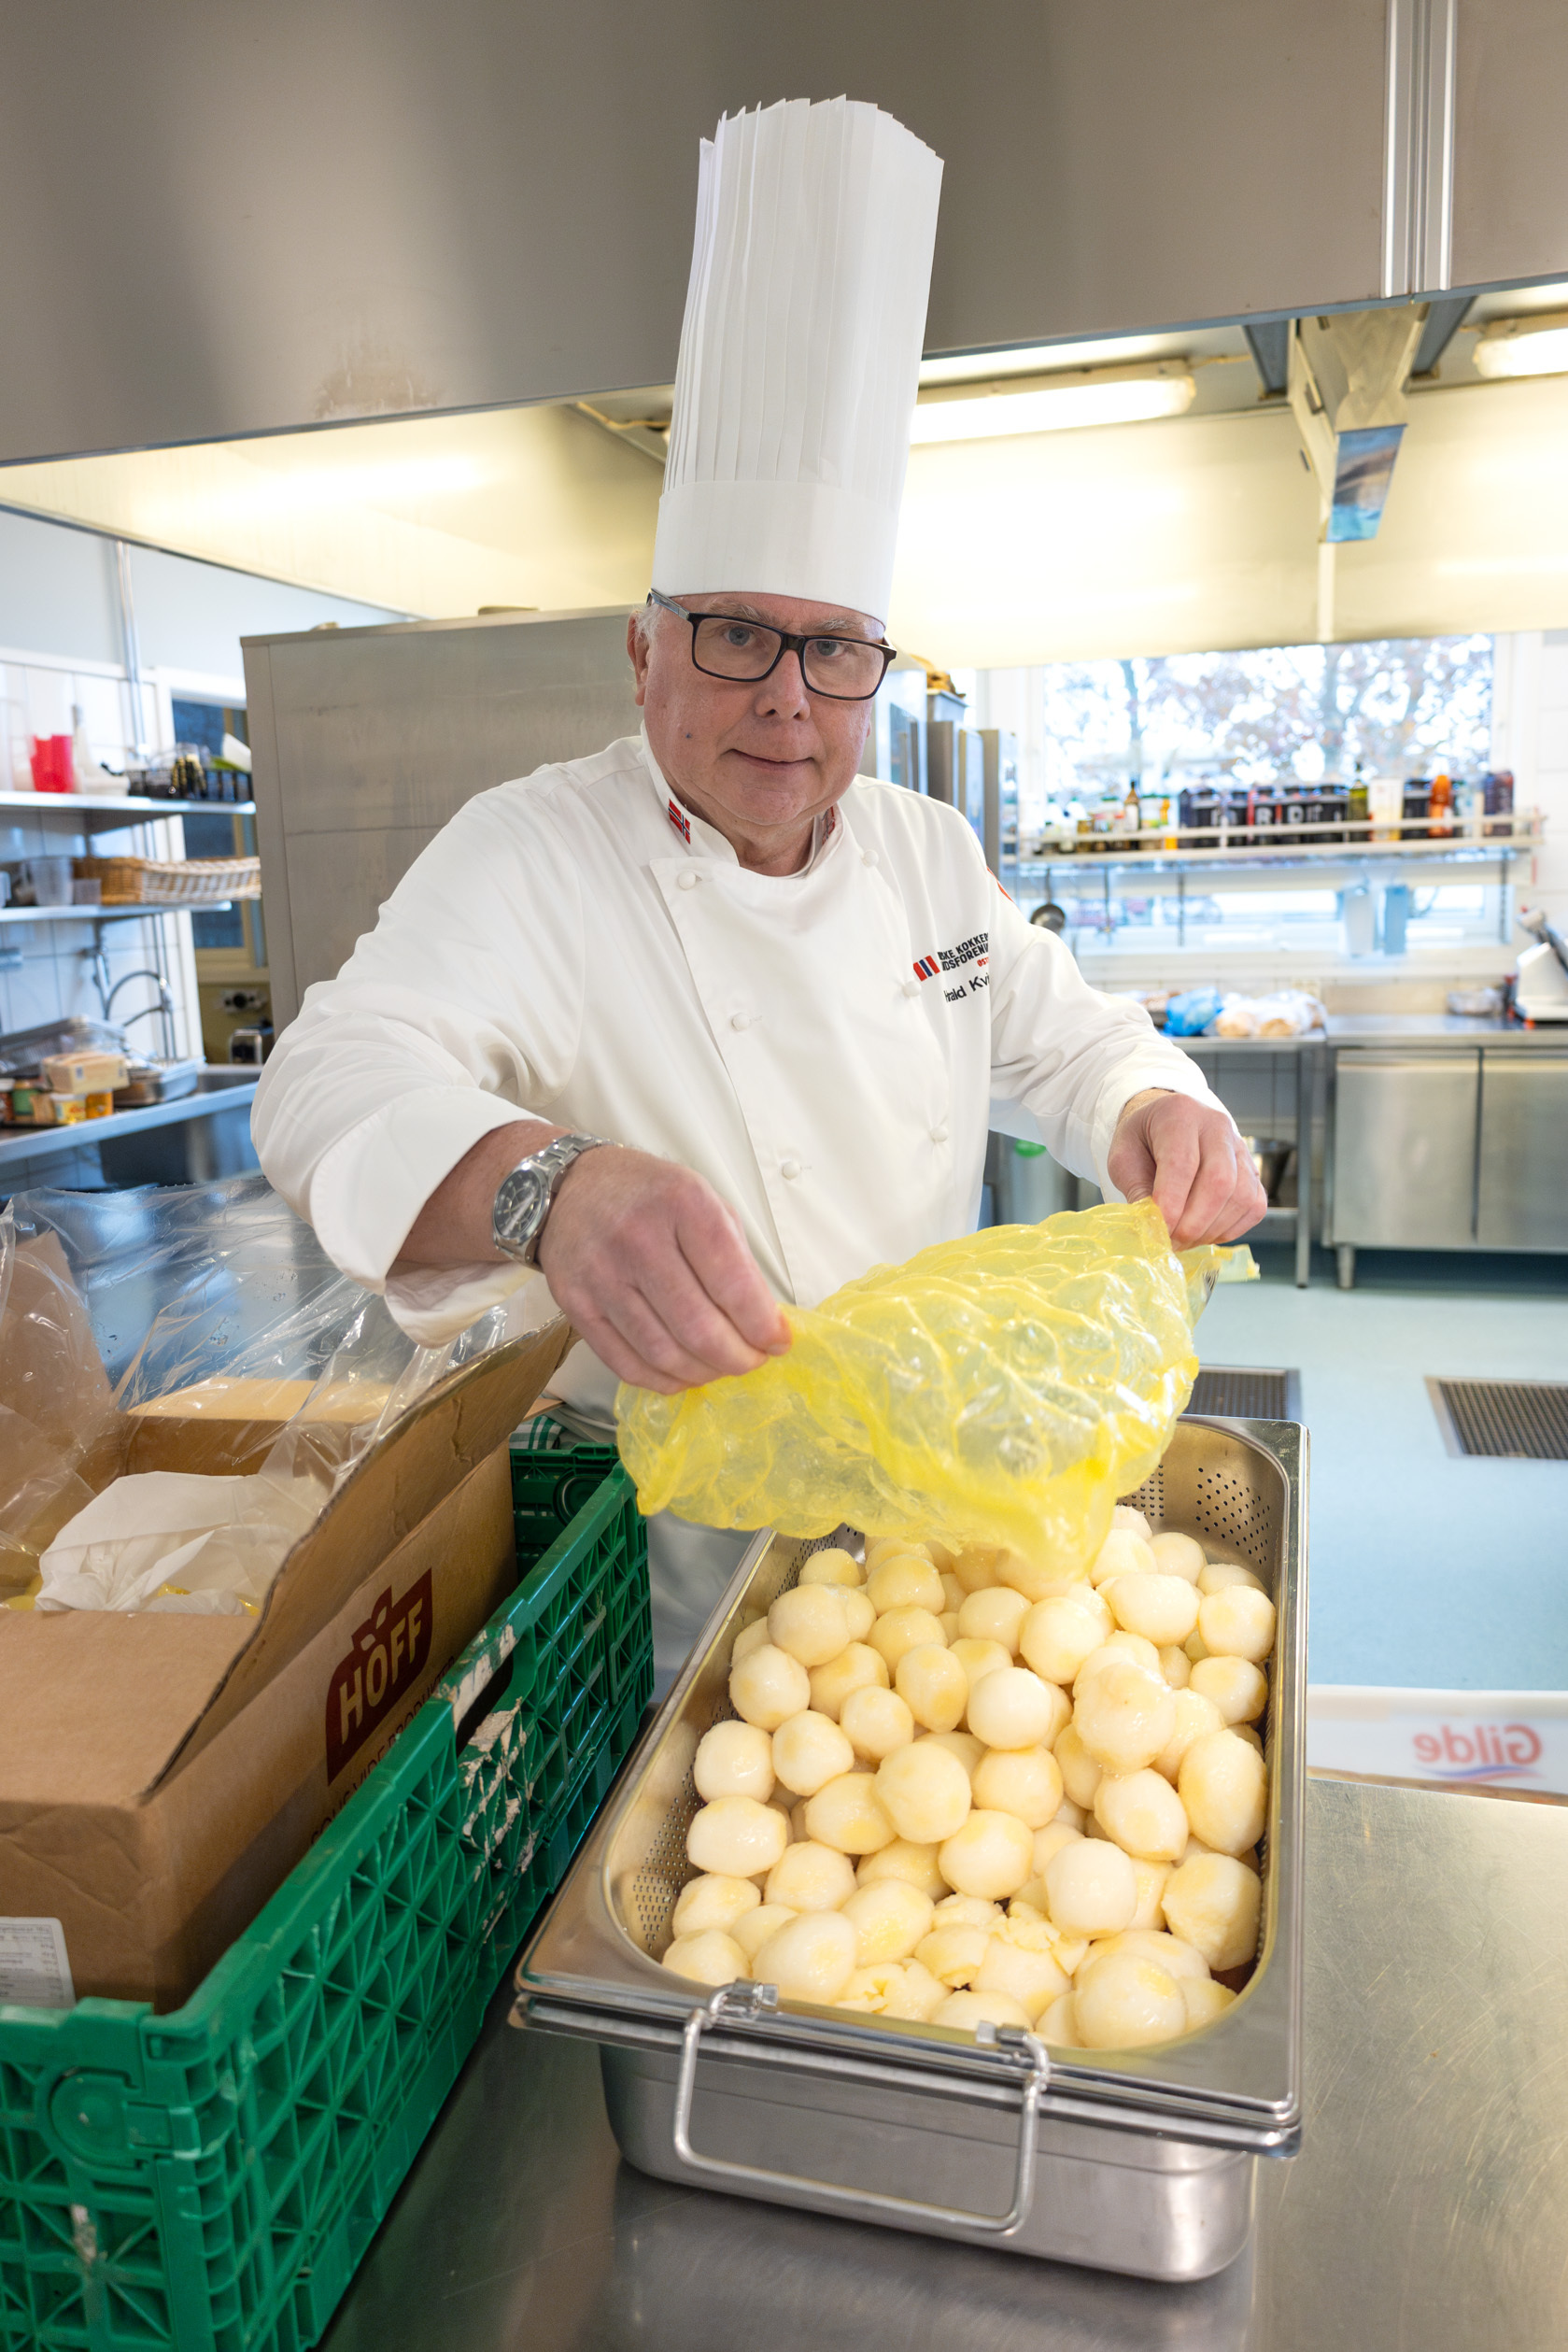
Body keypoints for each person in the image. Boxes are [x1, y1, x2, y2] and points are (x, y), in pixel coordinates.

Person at [253, 97, 1263, 1682]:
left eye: (836, 649)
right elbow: (321, 1081)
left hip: (932, 1539)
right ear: (644, 647)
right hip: (659, 1565)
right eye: (734, 632)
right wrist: (548, 1186)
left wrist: (1152, 1104)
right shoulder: (536, 851)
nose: (787, 698)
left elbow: (1066, 1044)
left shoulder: (927, 851)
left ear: (874, 672)